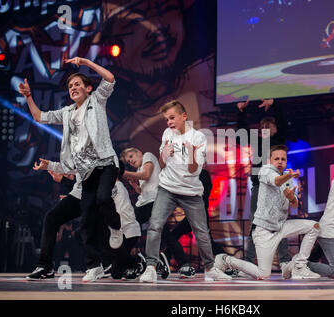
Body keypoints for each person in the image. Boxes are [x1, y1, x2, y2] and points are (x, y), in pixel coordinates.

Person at [19, 57, 122, 282]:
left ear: (88, 88)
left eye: (77, 84)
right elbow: (39, 117)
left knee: (104, 198)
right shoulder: (66, 113)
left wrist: (85, 62)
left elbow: (110, 78)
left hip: (105, 164)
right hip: (85, 175)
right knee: (86, 222)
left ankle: (116, 228)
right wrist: (28, 96)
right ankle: (94, 266)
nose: (73, 87)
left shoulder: (97, 100)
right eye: (69, 86)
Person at [137, 100, 230, 282]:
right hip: (167, 188)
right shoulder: (167, 133)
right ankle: (150, 267)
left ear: (184, 116)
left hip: (191, 191)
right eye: (166, 119)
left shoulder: (198, 137)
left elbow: (194, 170)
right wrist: (165, 154)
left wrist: (192, 155)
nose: (169, 122)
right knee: (155, 225)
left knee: (201, 231)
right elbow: (162, 164)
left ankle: (210, 269)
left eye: (172, 118)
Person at [214, 145, 321, 280]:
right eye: (276, 159)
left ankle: (298, 266)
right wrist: (289, 175)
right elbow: (276, 181)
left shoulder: (286, 179)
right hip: (264, 231)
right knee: (263, 275)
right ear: (270, 160)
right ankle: (225, 260)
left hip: (281, 227)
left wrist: (291, 197)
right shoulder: (266, 170)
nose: (280, 161)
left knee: (314, 226)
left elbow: (294, 204)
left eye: (283, 159)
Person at [237, 99, 292, 277]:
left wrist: (275, 104)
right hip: (259, 187)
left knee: (279, 224)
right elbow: (241, 133)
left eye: (269, 126)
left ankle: (285, 263)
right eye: (263, 127)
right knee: (255, 224)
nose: (265, 129)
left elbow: (283, 122)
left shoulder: (278, 142)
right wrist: (241, 111)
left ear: (275, 129)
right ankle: (248, 263)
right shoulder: (257, 142)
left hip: (277, 186)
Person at [120, 146, 193, 278]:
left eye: (131, 157)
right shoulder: (138, 169)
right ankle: (180, 263)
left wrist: (124, 173)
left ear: (139, 152)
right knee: (135, 229)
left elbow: (146, 175)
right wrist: (135, 186)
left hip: (154, 202)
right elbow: (142, 192)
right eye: (128, 161)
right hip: (144, 203)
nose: (130, 161)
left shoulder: (148, 155)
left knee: (133, 228)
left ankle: (132, 263)